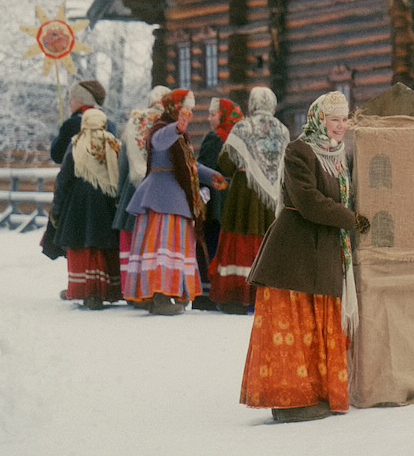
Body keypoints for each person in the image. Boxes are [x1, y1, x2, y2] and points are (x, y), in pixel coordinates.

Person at [240, 91, 369, 423]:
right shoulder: (299, 150)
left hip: (323, 251)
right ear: (318, 120)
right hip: (294, 254)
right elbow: (309, 201)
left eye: (344, 119)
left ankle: (314, 394)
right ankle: (289, 401)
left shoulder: (342, 155)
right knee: (292, 329)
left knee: (314, 326)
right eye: (334, 120)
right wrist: (352, 219)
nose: (341, 126)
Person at [122, 89, 226, 315]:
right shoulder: (160, 128)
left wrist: (210, 176)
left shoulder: (180, 135)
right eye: (186, 107)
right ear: (175, 109)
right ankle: (158, 296)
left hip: (172, 196)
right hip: (162, 196)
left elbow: (191, 164)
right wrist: (177, 128)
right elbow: (159, 142)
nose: (189, 112)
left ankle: (161, 294)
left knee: (167, 247)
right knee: (162, 247)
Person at [210, 87, 289, 314]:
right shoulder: (282, 130)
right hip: (273, 196)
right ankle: (266, 294)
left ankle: (235, 296)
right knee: (267, 240)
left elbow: (225, 164)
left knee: (240, 241)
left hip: (244, 194)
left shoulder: (243, 127)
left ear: (252, 104)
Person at [53, 108, 122, 310]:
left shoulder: (77, 143)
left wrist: (57, 209)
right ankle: (103, 290)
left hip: (79, 202)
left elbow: (64, 178)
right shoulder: (112, 143)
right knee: (102, 246)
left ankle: (85, 290)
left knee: (83, 245)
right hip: (105, 201)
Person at [112, 85, 170, 301]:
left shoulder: (135, 120)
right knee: (155, 239)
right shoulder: (170, 122)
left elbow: (124, 159)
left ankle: (132, 289)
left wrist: (120, 191)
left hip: (134, 189)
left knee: (132, 236)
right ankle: (153, 288)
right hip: (162, 188)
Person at [193, 97, 244, 310]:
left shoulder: (215, 138)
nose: (209, 118)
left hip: (218, 198)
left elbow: (205, 169)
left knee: (213, 243)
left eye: (213, 114)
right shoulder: (241, 136)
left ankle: (210, 292)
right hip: (239, 198)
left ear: (222, 116)